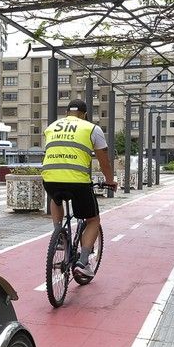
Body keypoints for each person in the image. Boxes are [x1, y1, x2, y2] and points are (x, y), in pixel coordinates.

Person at [42, 100, 116, 275]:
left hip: (50, 177)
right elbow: (104, 160)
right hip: (77, 182)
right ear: (84, 114)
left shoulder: (52, 127)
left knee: (56, 198)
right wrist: (110, 180)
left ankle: (58, 233)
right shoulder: (91, 128)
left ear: (67, 113)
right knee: (93, 220)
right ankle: (83, 264)